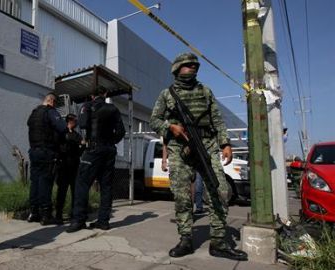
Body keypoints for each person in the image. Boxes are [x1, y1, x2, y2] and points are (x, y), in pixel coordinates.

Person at [149, 52, 247, 260]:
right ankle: (185, 239)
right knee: (183, 196)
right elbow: (154, 120)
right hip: (179, 148)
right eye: (188, 65)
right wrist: (171, 127)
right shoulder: (167, 94)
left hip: (207, 146)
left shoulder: (205, 91)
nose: (192, 68)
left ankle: (218, 242)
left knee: (219, 191)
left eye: (195, 65)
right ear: (176, 69)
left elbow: (217, 119)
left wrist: (225, 143)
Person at [66, 86, 125, 233]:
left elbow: (83, 124)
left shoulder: (88, 106)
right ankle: (103, 222)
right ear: (105, 94)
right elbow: (121, 131)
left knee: (82, 183)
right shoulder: (113, 108)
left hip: (94, 149)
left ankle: (79, 220)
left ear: (92, 96)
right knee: (106, 186)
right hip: (109, 150)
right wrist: (111, 142)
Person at [26, 92, 67, 225]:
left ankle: (33, 213)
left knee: (35, 182)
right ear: (52, 101)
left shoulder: (34, 113)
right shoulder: (50, 111)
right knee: (45, 182)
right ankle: (46, 215)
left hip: (33, 151)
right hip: (46, 152)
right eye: (55, 104)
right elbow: (62, 128)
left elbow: (30, 125)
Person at [55, 114, 84, 224]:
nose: (76, 123)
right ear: (70, 121)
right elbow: (59, 148)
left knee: (75, 192)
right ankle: (58, 215)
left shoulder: (76, 135)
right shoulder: (62, 133)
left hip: (74, 166)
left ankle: (74, 214)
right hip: (64, 166)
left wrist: (82, 147)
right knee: (62, 191)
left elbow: (81, 147)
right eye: (74, 121)